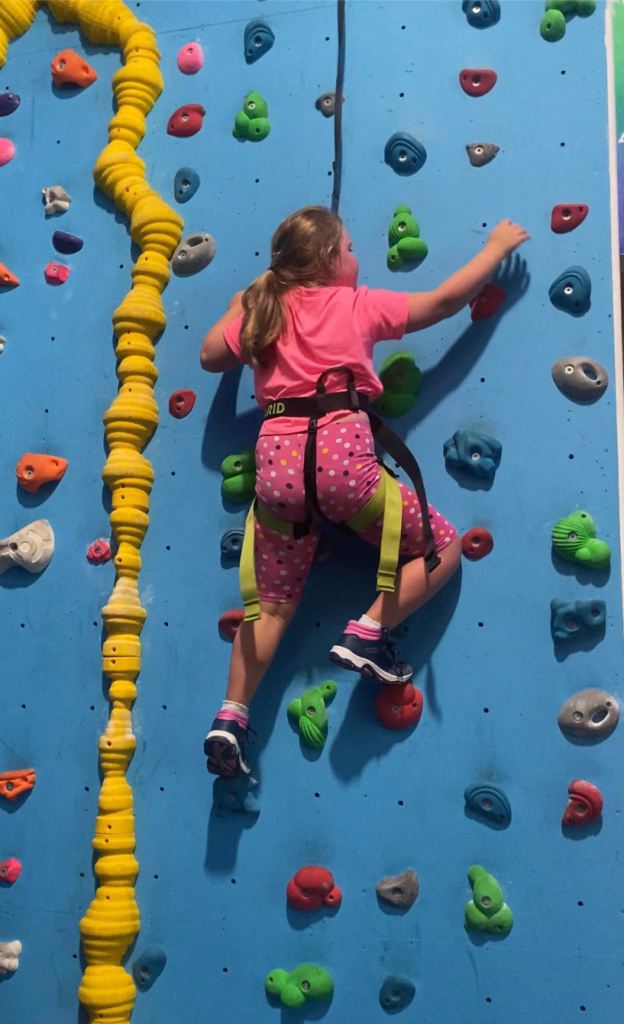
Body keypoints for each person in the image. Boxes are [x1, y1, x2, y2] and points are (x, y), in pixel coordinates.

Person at [200, 205, 528, 776]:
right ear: (329, 259)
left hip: (277, 469)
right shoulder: (355, 303)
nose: (356, 257)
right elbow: (443, 302)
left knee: (270, 608)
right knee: (442, 546)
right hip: (342, 464)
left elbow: (209, 356)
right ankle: (370, 629)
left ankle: (231, 715)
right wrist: (495, 250)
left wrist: (243, 301)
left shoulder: (263, 311)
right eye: (349, 249)